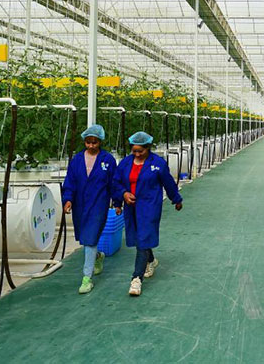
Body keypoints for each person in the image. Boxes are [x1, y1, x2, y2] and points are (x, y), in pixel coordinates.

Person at [114, 131, 183, 296]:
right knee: (139, 238)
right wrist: (122, 196)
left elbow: (168, 182)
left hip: (149, 206)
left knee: (144, 237)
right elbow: (116, 182)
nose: (137, 154)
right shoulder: (125, 163)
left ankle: (136, 279)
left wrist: (176, 199)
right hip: (131, 207)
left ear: (148, 148)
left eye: (141, 151)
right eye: (134, 151)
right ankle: (151, 260)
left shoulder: (157, 163)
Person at [62, 124, 119, 294]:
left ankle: (86, 278)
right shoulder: (77, 160)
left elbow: (114, 183)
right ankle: (98, 256)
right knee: (85, 238)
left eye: (94, 142)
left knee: (90, 238)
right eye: (88, 142)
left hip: (99, 204)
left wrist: (117, 203)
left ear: (100, 142)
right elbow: (70, 181)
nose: (91, 146)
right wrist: (68, 200)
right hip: (80, 204)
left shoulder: (107, 160)